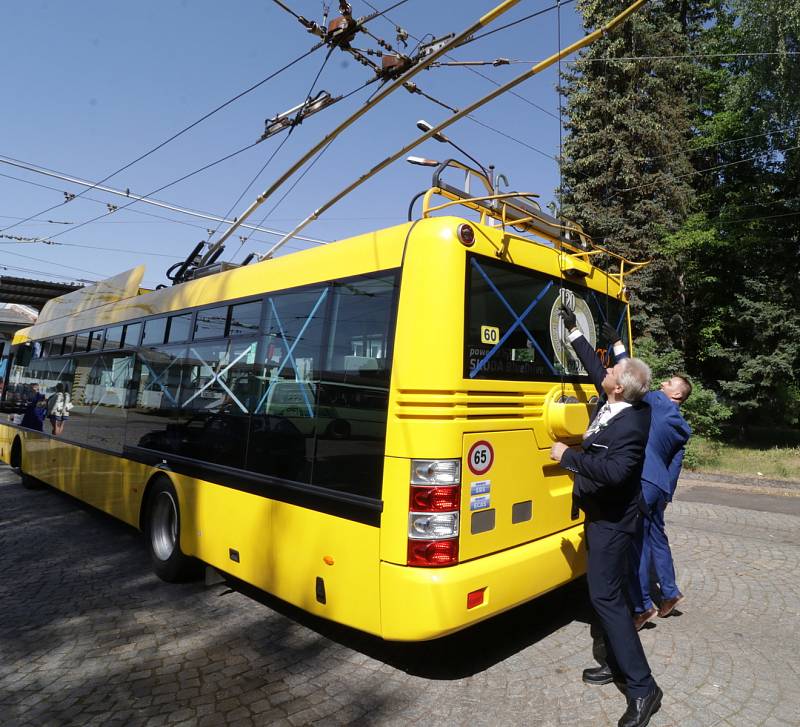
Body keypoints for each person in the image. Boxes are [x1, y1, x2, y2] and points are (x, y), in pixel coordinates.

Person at [550, 306, 662, 727]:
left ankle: (643, 686)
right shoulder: (618, 400)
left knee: (607, 599)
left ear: (619, 389)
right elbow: (592, 363)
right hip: (599, 516)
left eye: (614, 372)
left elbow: (615, 474)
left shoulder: (632, 424)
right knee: (604, 593)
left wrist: (569, 458)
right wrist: (575, 330)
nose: (607, 373)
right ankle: (614, 663)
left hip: (613, 522)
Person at [604, 333, 692, 629]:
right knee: (657, 538)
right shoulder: (681, 425)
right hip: (659, 487)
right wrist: (667, 493)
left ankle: (641, 606)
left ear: (676, 395)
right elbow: (675, 463)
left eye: (668, 383)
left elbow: (630, 376)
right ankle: (669, 593)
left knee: (636, 545)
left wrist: (617, 347)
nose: (662, 385)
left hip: (642, 483)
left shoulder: (656, 402)